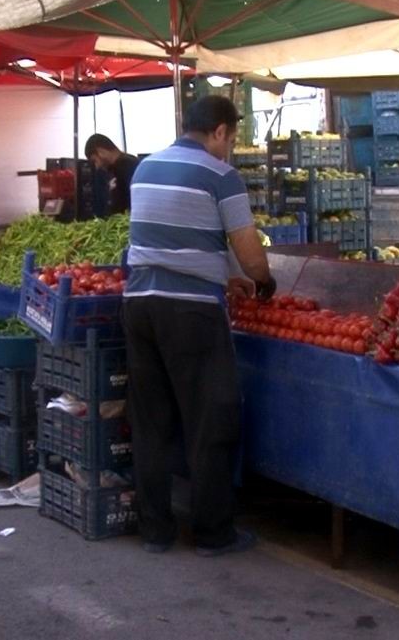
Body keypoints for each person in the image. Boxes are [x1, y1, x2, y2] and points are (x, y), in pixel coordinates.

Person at [124, 96, 277, 558]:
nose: (230, 147)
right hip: (190, 312)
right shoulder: (219, 174)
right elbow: (247, 245)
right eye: (231, 137)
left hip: (139, 305)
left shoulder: (145, 167)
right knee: (212, 417)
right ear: (218, 131)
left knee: (151, 421)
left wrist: (218, 271)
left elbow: (169, 239)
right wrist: (262, 280)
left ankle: (156, 531)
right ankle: (212, 533)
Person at [85, 133, 140, 215]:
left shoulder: (127, 165)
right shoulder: (115, 168)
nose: (97, 167)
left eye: (95, 161)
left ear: (101, 152)